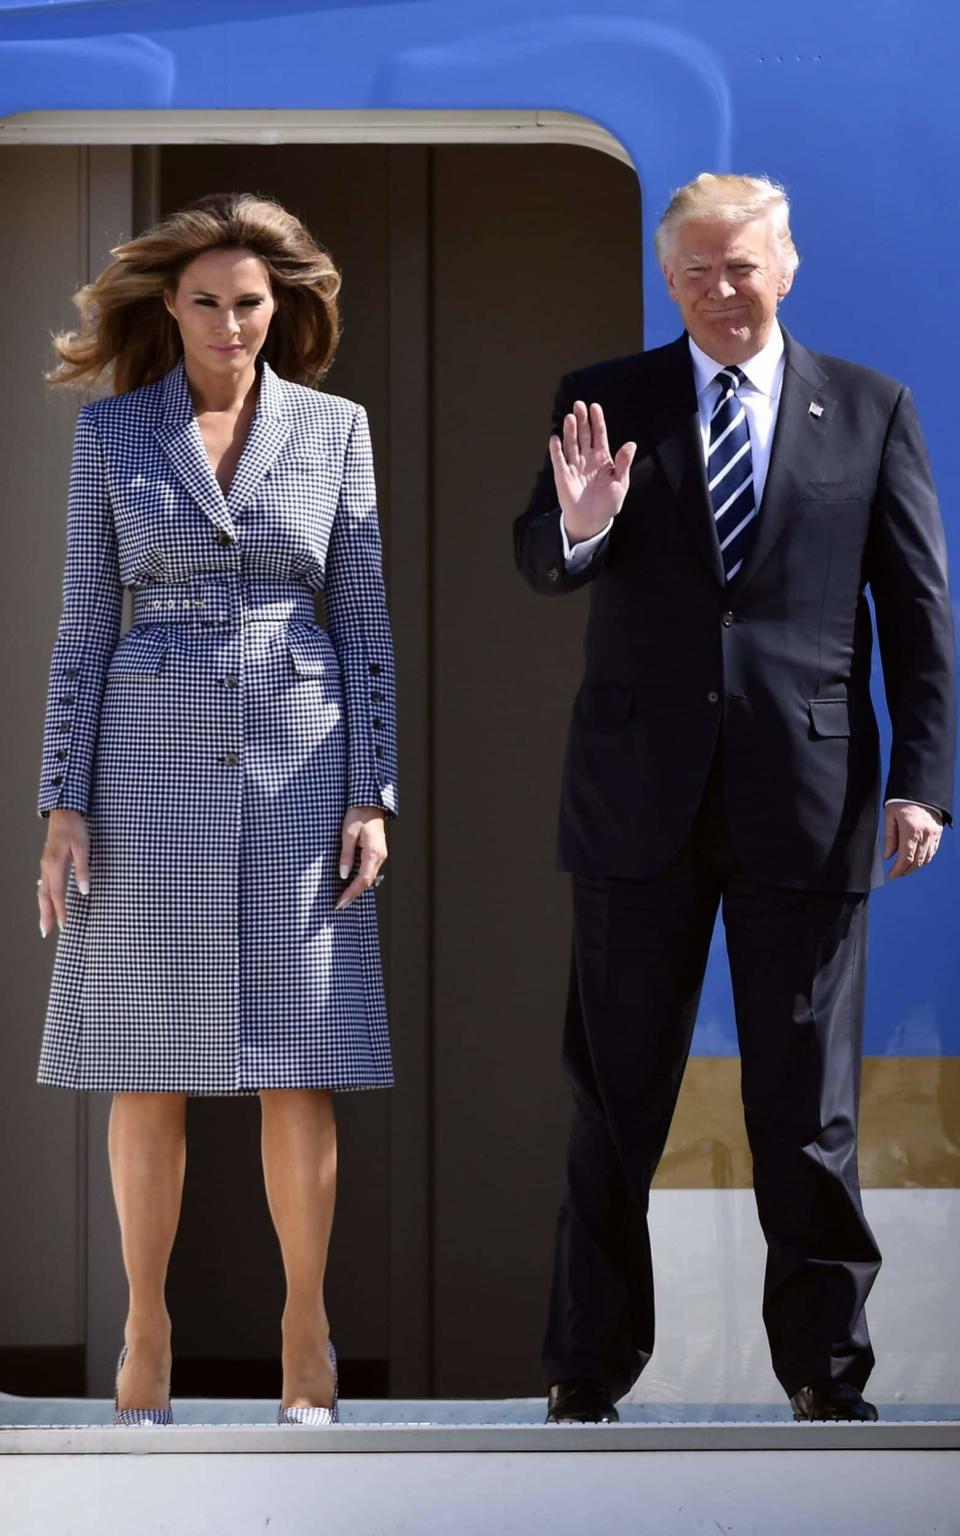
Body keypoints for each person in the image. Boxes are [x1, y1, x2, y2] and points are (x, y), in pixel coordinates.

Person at [514, 173, 955, 1424]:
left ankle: (825, 1369)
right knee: (614, 1101)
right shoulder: (606, 400)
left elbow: (918, 612)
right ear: (670, 278)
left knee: (805, 1108)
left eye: (742, 266)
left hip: (808, 799)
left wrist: (923, 781)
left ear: (788, 266)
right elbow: (537, 558)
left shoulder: (869, 408)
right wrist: (583, 524)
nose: (722, 290)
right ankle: (587, 1367)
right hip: (634, 804)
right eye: (698, 269)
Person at [34, 190, 398, 1426]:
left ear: (280, 306)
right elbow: (83, 631)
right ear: (170, 306)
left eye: (251, 303)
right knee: (149, 1061)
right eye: (208, 303)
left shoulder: (339, 428)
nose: (231, 324)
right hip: (145, 762)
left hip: (303, 758)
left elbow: (367, 626)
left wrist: (373, 792)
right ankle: (147, 1328)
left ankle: (307, 1327)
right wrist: (61, 803)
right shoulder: (114, 437)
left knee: (303, 1058)